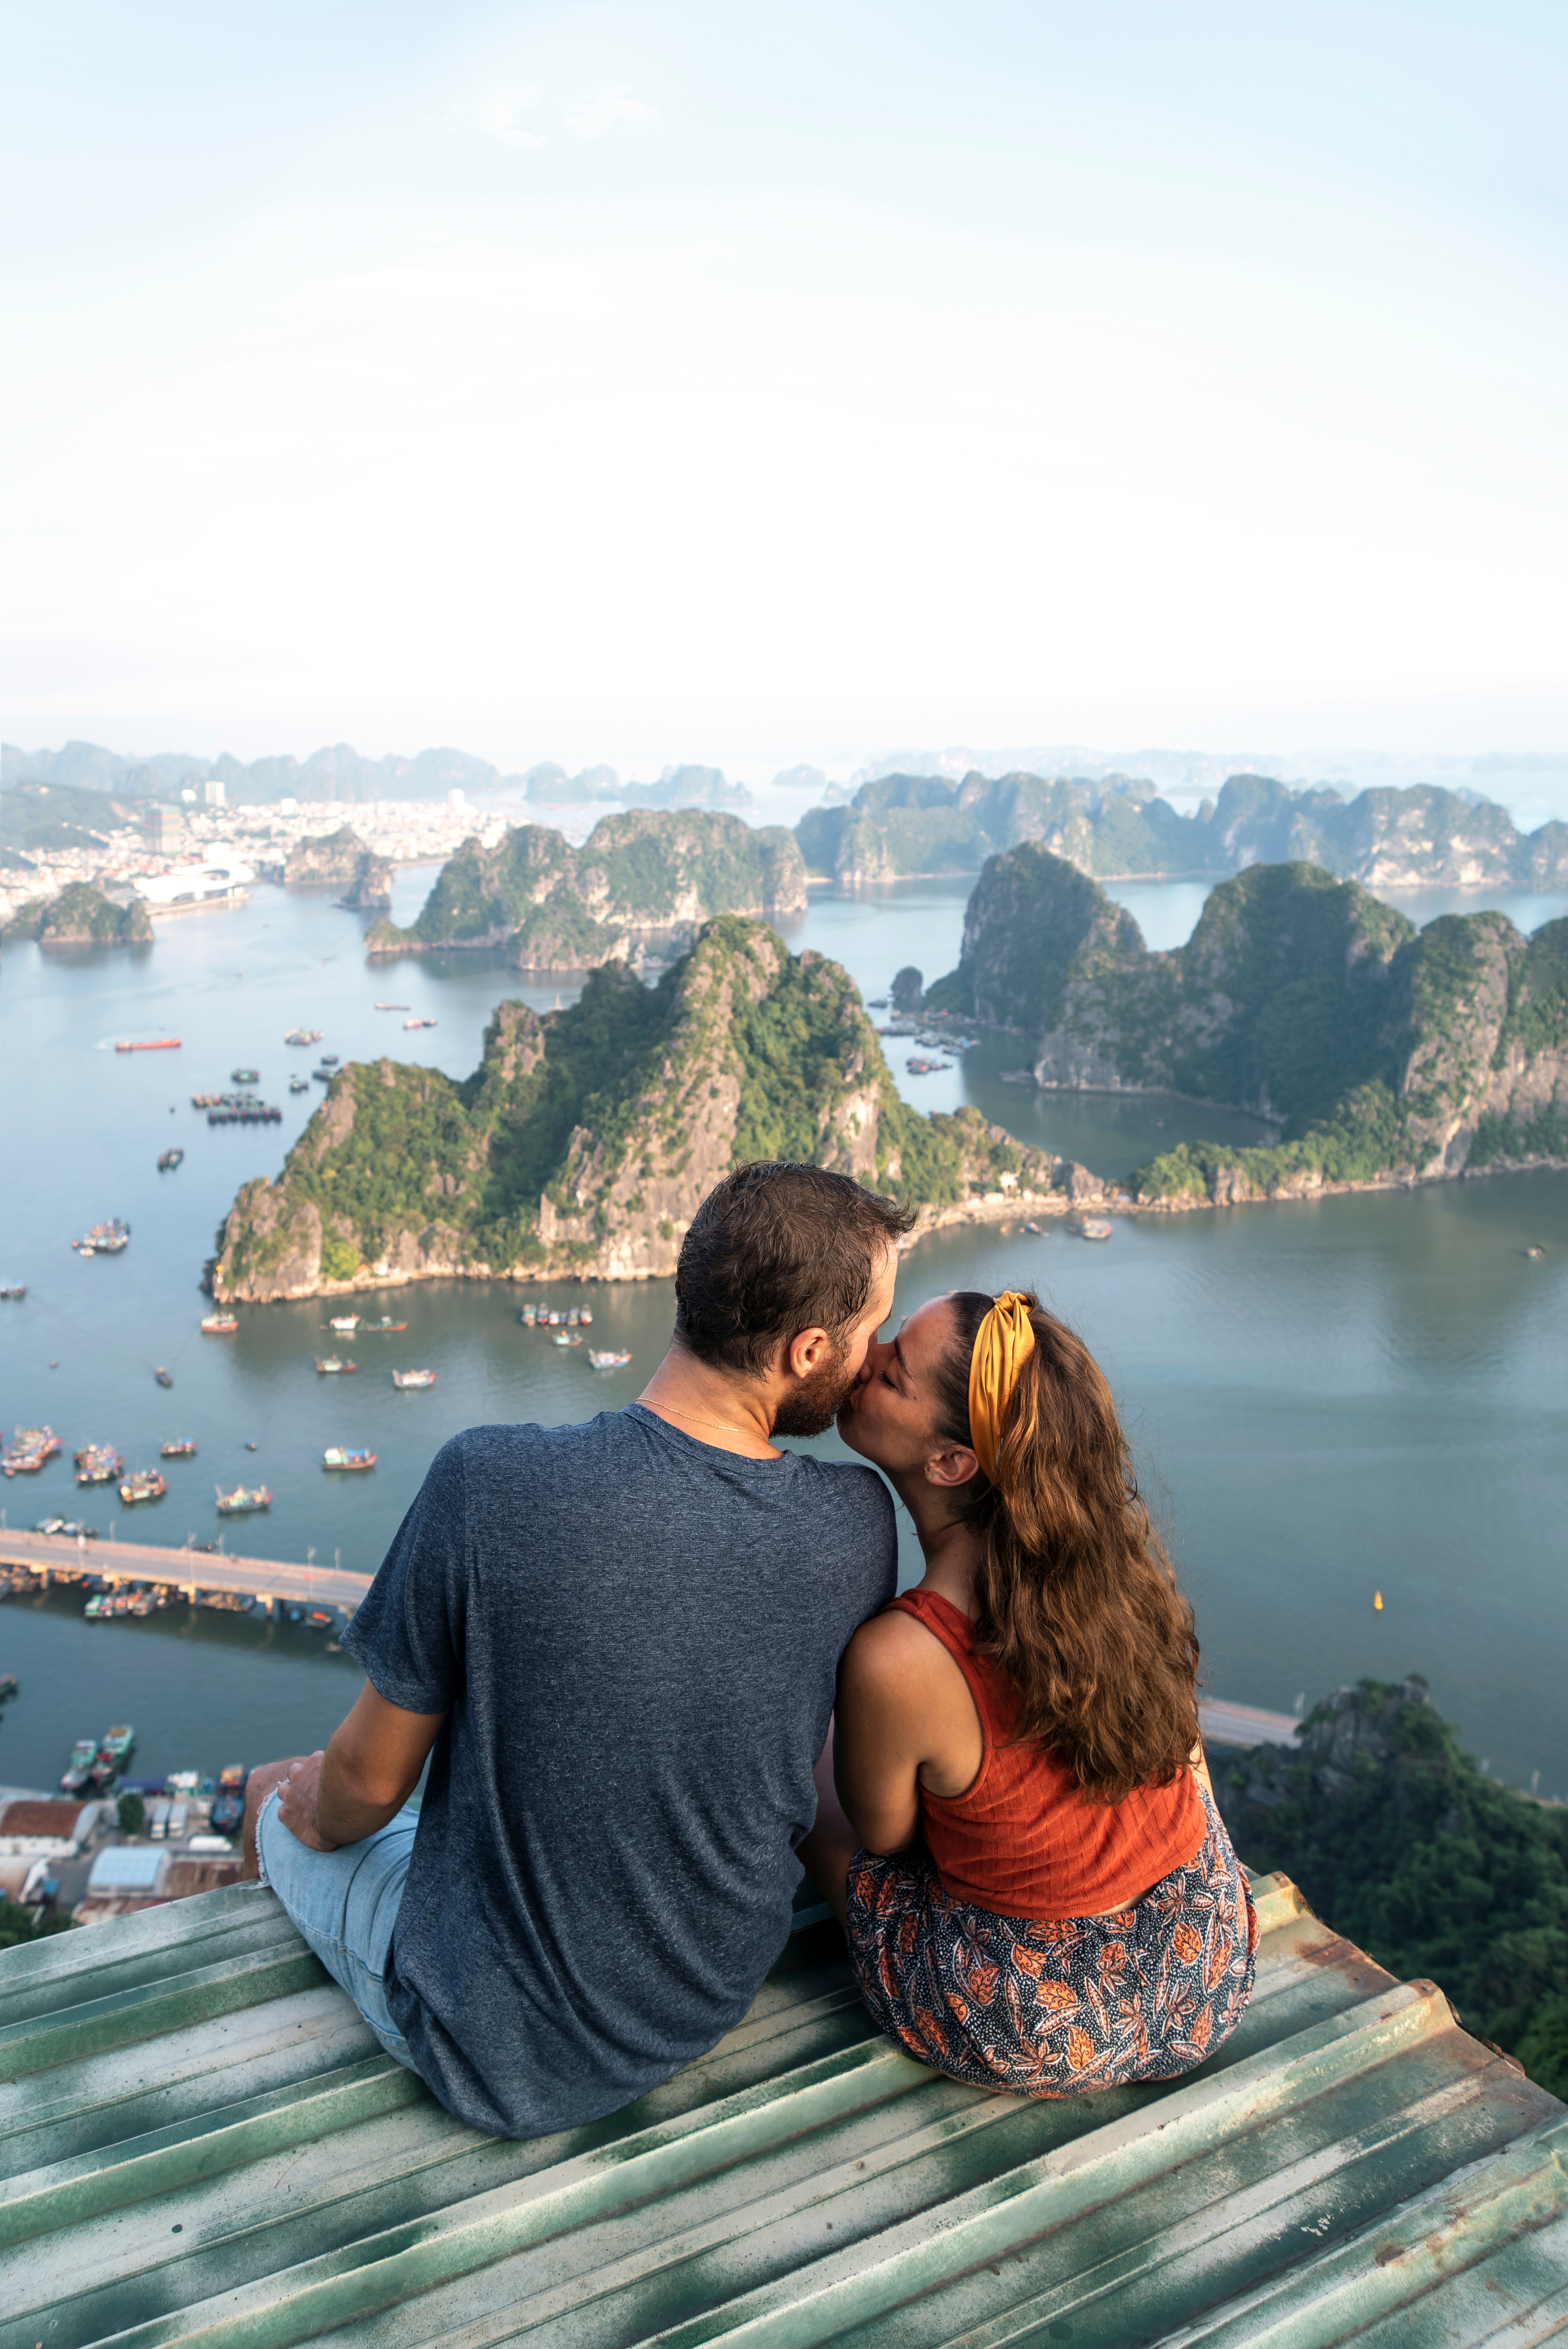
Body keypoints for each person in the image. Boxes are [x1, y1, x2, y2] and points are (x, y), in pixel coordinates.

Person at [242, 1161, 911, 2138]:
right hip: (698, 2004)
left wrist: (301, 1804)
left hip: (489, 2048)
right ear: (809, 1350)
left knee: (268, 1790)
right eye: (870, 1332)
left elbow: (367, 1782)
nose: (874, 1355)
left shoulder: (488, 1484)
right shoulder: (856, 1524)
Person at [801, 1287, 1258, 2096]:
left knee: (809, 1780)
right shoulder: (1123, 1578)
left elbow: (888, 1837)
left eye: (892, 1370)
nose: (861, 1357)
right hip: (1203, 1966)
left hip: (1041, 2025)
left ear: (951, 1461)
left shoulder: (901, 1656)